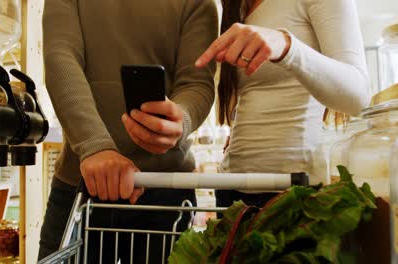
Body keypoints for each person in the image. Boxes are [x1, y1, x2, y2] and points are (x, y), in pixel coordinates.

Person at [39, 0, 218, 263]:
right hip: (81, 184)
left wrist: (181, 120)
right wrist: (95, 144)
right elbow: (60, 59)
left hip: (165, 191)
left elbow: (197, 83)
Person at [196, 0, 369, 208]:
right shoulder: (237, 6)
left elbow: (358, 96)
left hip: (297, 193)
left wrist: (288, 47)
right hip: (232, 191)